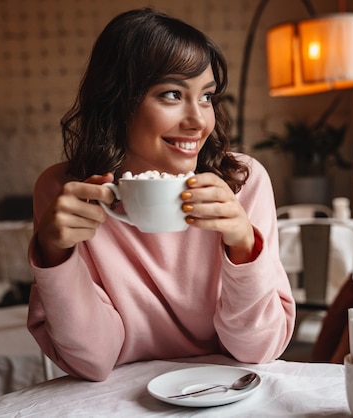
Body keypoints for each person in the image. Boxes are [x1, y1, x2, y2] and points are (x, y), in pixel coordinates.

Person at [27, 7, 295, 382]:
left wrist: (243, 244)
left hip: (230, 392)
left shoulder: (242, 182)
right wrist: (55, 255)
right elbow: (92, 360)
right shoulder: (67, 193)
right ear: (118, 102)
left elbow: (258, 349)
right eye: (171, 94)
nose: (198, 121)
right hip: (117, 397)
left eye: (206, 97)